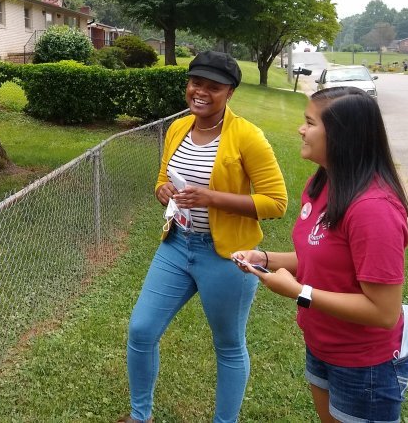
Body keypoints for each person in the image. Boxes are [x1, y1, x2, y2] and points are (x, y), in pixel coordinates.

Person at [121, 51, 288, 423]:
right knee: (141, 329)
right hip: (177, 246)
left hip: (227, 255)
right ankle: (139, 415)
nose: (201, 92)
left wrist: (211, 198)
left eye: (213, 87)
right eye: (196, 83)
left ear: (230, 93)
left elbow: (276, 203)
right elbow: (164, 178)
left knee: (228, 345)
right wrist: (162, 190)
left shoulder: (247, 137)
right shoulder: (178, 128)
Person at [233, 87, 408, 423]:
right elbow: (322, 258)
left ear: (342, 136)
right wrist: (265, 258)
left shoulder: (374, 210)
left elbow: (384, 312)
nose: (302, 129)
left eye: (310, 122)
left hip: (364, 366)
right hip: (322, 345)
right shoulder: (325, 182)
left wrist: (301, 292)